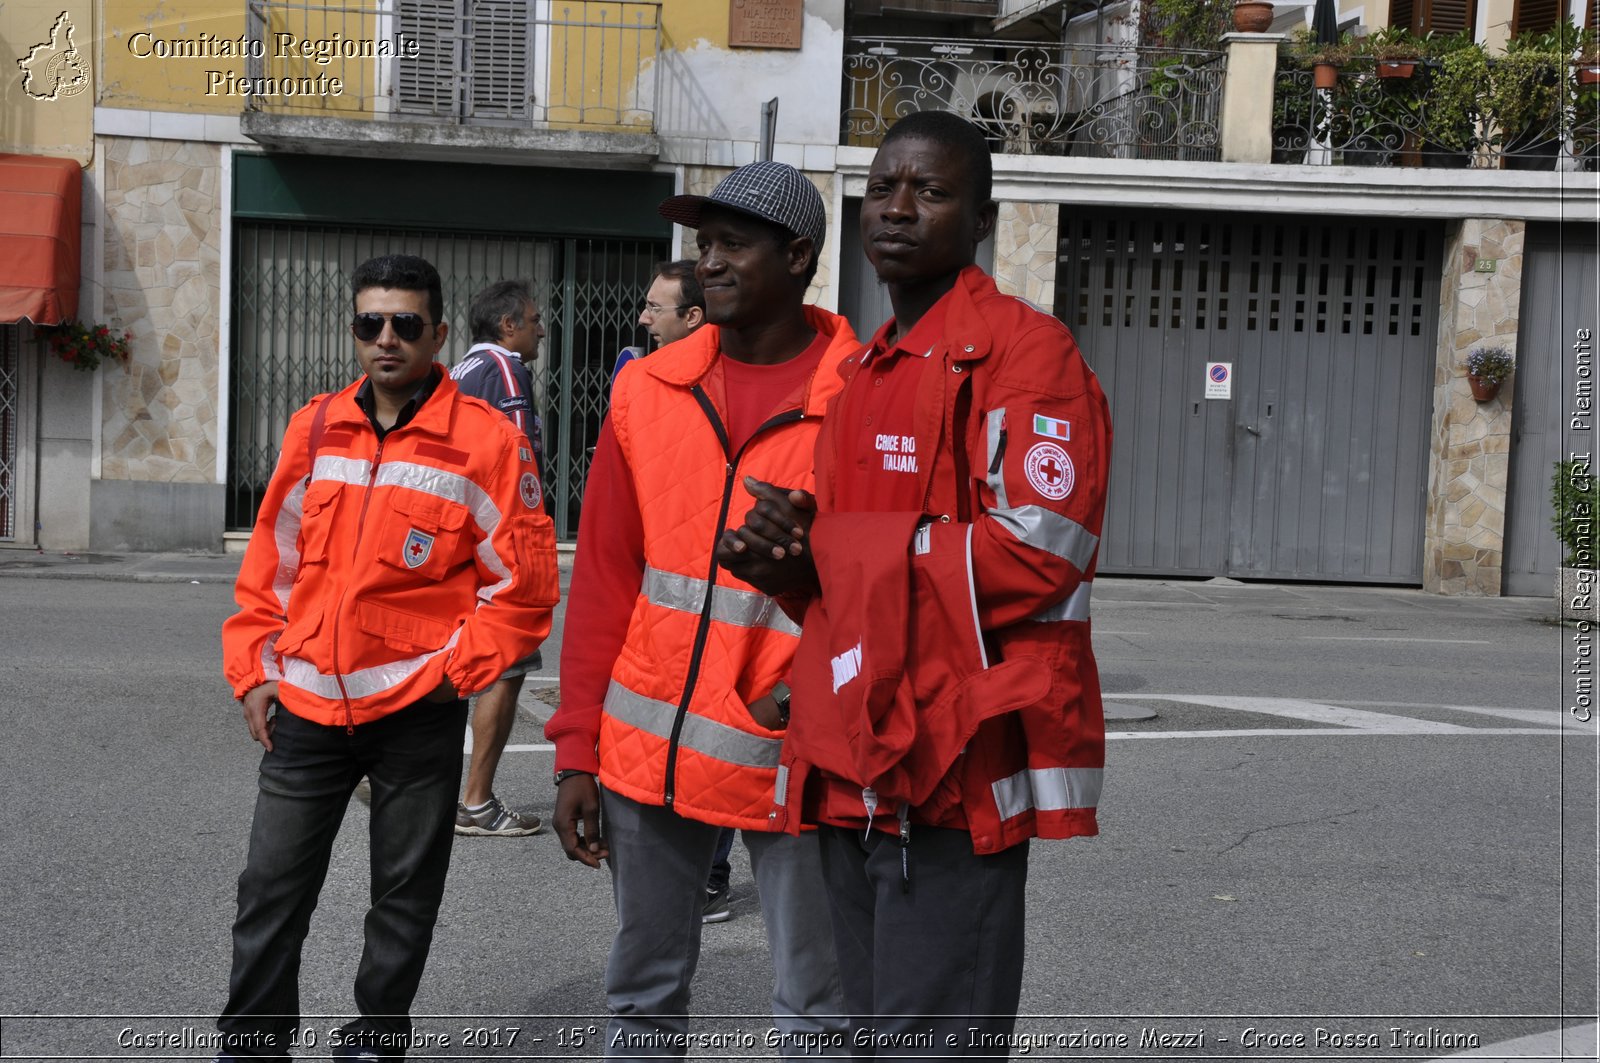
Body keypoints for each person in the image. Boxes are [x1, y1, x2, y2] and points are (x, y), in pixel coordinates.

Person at [716, 111, 1112, 1054]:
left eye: (929, 191)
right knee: (872, 1033)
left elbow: (1041, 550)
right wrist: (786, 570)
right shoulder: (864, 371)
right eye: (883, 187)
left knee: (931, 1039)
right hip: (854, 753)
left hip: (956, 762)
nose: (897, 207)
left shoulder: (1027, 354)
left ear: (980, 218)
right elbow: (850, 577)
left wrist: (835, 553)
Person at [214, 254, 560, 1062]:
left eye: (407, 323)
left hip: (415, 715)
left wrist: (448, 672)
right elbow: (273, 556)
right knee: (269, 893)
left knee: (403, 900)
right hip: (303, 708)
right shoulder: (315, 426)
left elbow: (523, 589)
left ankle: (375, 1040)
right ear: (354, 331)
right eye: (371, 322)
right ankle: (252, 1046)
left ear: (439, 334)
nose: (388, 339)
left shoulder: (487, 444)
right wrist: (255, 668)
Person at [548, 161, 855, 1058]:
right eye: (702, 244)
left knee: (816, 1007)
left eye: (731, 245)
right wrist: (576, 748)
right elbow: (605, 574)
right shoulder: (649, 387)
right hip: (650, 749)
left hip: (798, 756)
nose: (706, 263)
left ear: (797, 256)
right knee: (641, 1000)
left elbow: (886, 591)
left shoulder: (865, 394)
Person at [449, 279, 549, 837]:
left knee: (459, 657)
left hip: (457, 534)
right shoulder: (508, 369)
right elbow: (518, 460)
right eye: (534, 320)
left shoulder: (459, 371)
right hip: (498, 539)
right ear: (508, 325)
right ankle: (477, 801)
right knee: (506, 666)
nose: (540, 329)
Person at [611, 259, 705, 391]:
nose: (642, 319)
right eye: (647, 306)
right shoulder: (633, 381)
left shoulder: (726, 381)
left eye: (654, 308)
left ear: (692, 317)